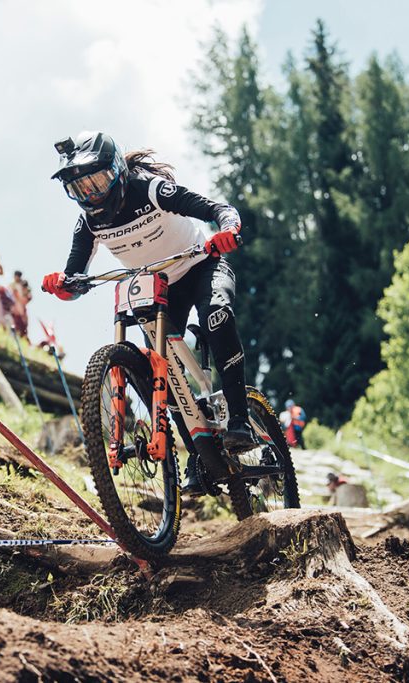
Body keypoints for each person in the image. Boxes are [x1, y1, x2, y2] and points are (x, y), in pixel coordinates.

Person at [42, 131, 251, 494]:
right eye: (80, 188)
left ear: (118, 170)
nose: (91, 194)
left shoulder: (150, 189)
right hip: (156, 288)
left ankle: (240, 419)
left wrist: (228, 229)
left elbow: (217, 210)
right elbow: (75, 276)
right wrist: (63, 284)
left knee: (217, 316)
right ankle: (199, 457)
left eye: (97, 181)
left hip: (201, 266)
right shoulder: (90, 222)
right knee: (161, 374)